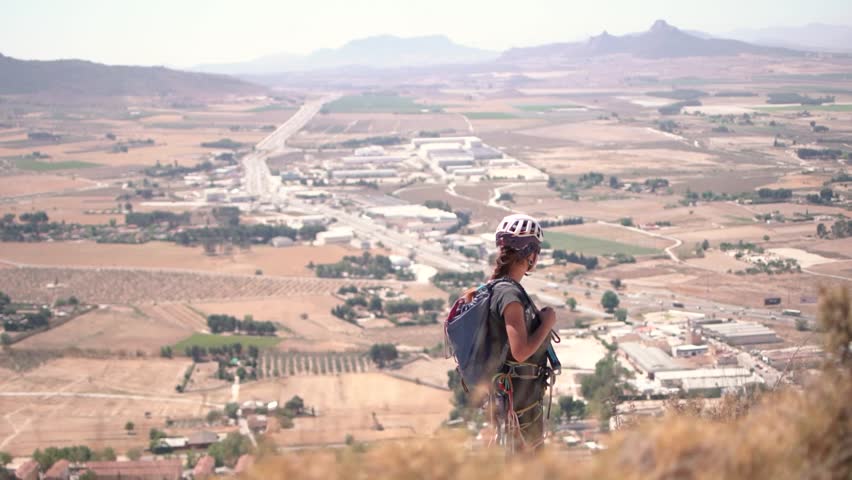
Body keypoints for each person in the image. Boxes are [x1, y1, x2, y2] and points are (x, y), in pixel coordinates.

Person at [486, 213, 557, 451]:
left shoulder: (496, 288)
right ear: (531, 254)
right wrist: (547, 322)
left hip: (511, 401)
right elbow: (520, 352)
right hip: (520, 409)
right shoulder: (510, 295)